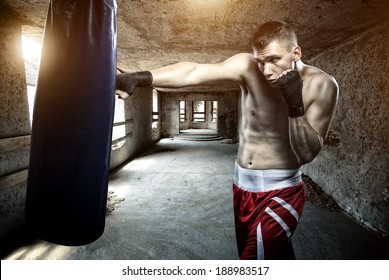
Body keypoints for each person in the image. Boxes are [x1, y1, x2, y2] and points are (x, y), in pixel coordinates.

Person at [115, 21, 339, 260]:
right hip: (241, 186)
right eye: (261, 61)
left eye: (274, 59)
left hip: (280, 192)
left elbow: (306, 154)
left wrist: (295, 104)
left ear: (296, 52)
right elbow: (195, 71)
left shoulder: (322, 85)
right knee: (269, 256)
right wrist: (141, 77)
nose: (266, 70)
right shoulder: (248, 67)